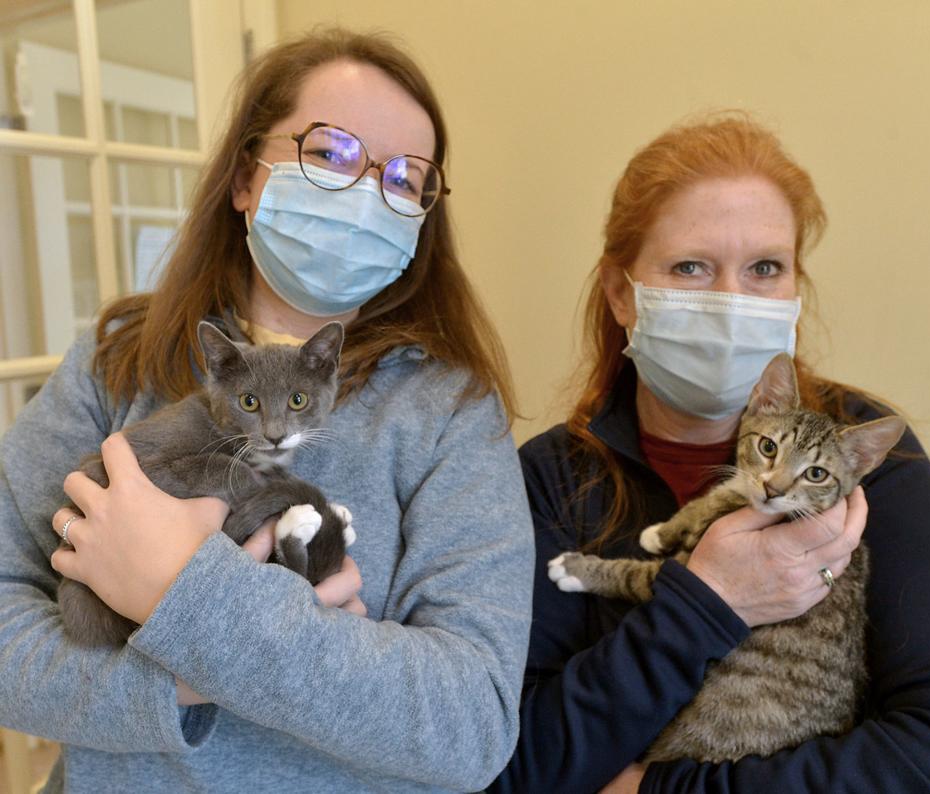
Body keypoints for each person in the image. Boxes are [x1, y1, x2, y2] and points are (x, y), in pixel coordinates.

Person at [0, 29, 534, 792]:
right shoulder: (114, 362)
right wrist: (173, 687)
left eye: (404, 178)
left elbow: (473, 724)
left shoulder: (451, 413)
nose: (365, 193)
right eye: (332, 154)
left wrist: (185, 598)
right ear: (246, 177)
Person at [491, 115, 930, 792]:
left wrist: (656, 791)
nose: (730, 301)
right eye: (690, 267)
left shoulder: (871, 457)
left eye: (765, 268)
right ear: (621, 292)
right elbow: (512, 764)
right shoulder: (549, 478)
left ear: (796, 288)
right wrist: (708, 599)